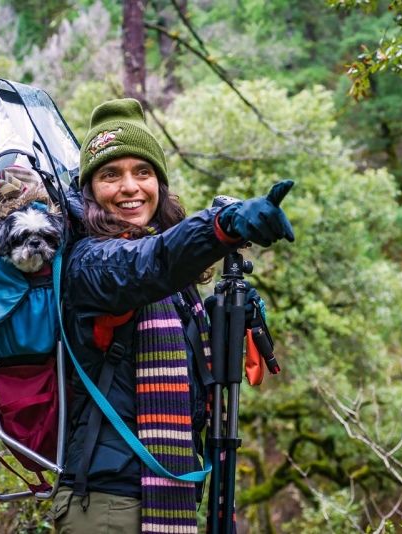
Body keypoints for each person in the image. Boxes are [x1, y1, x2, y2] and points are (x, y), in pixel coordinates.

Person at [48, 98, 294, 534]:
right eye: (110, 175)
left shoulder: (174, 290)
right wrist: (221, 226)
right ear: (89, 191)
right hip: (106, 507)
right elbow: (150, 263)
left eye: (143, 172)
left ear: (159, 183)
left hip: (156, 498)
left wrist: (217, 324)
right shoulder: (88, 262)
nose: (130, 187)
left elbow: (159, 267)